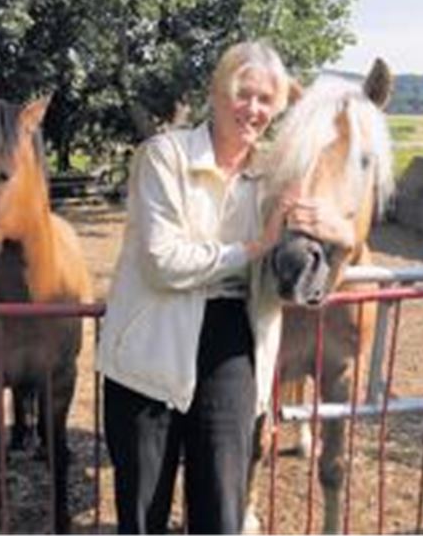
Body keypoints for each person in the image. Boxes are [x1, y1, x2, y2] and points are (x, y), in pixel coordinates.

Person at [96, 40, 352, 534]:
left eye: (265, 100)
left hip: (232, 345)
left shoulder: (276, 176)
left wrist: (338, 238)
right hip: (150, 349)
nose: (253, 109)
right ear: (216, 94)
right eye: (243, 93)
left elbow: (300, 285)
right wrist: (253, 249)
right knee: (143, 515)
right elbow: (162, 263)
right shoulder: (164, 157)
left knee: (221, 515)